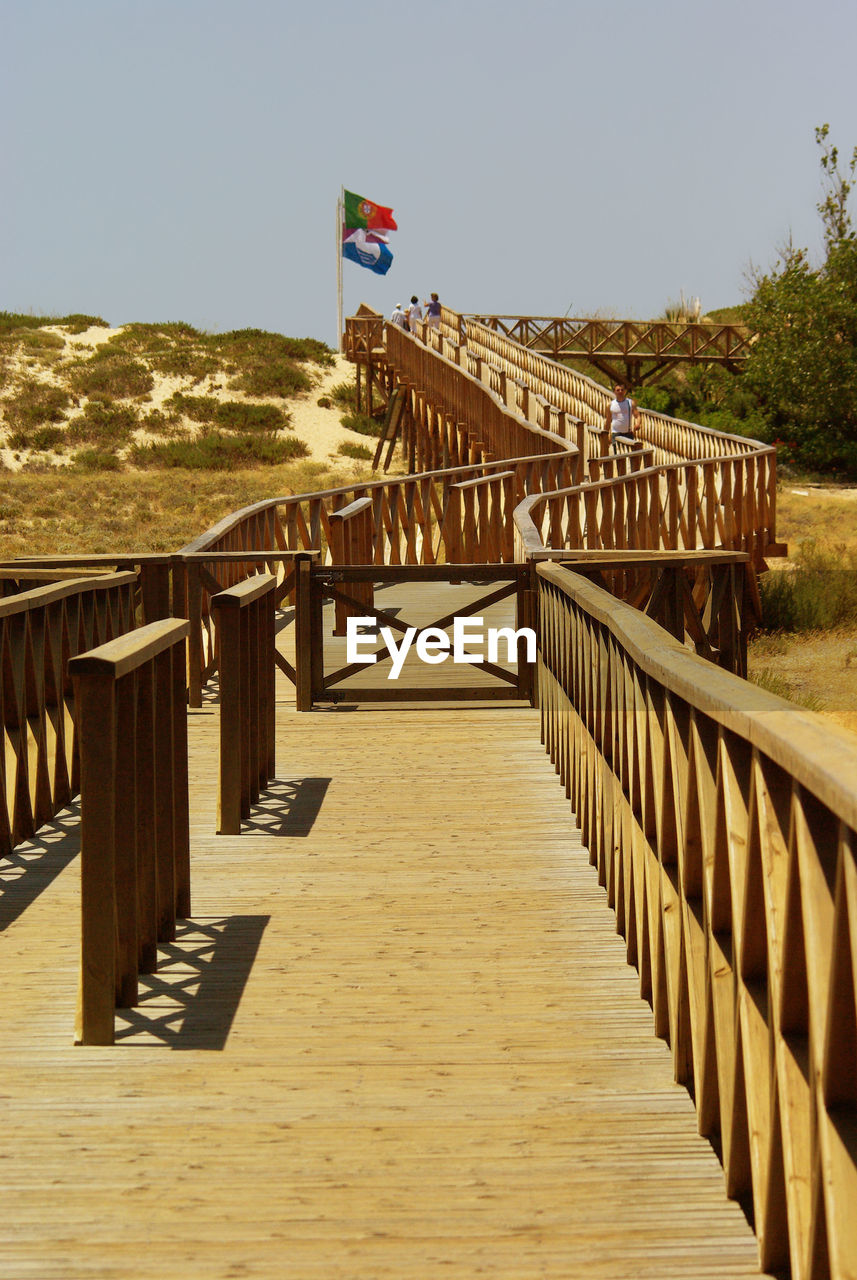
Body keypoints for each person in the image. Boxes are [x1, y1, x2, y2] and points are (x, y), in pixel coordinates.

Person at [604, 382, 641, 451]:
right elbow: (608, 420)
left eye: (622, 390)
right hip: (615, 433)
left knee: (630, 454)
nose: (620, 392)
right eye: (618, 390)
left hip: (628, 433)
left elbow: (637, 416)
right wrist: (606, 435)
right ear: (614, 392)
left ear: (625, 391)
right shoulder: (610, 404)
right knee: (617, 455)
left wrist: (638, 424)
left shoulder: (630, 403)